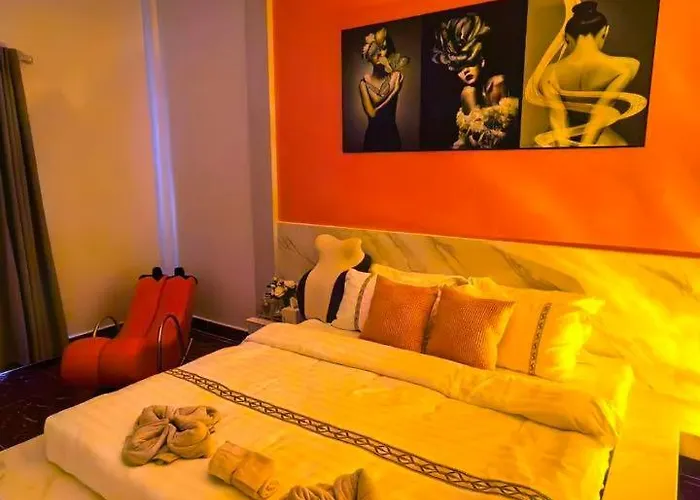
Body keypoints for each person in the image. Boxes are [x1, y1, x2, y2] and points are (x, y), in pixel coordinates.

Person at [538, 1, 643, 147]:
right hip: (601, 142)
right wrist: (585, 151)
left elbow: (558, 118)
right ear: (605, 31)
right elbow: (599, 115)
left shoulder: (549, 73)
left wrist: (564, 152)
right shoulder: (626, 67)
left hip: (557, 144)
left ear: (566, 37)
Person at [432, 15, 520, 149]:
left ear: (481, 59)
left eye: (469, 63)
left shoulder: (497, 84)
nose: (465, 71)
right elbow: (467, 140)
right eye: (459, 67)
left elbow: (506, 138)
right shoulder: (468, 93)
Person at [358, 28, 409, 152]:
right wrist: (395, 91)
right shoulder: (363, 83)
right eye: (374, 49)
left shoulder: (395, 75)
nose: (379, 53)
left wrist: (394, 88)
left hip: (391, 137)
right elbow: (372, 113)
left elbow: (379, 99)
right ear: (368, 55)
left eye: (383, 48)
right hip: (372, 139)